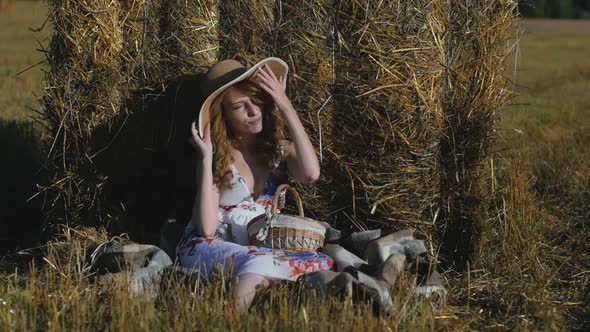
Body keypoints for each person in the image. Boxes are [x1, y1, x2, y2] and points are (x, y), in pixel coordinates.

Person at [175, 57, 334, 312]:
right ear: (223, 115)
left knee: (322, 263)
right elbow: (206, 228)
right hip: (211, 245)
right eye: (239, 106)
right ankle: (229, 321)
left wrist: (284, 104)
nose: (253, 111)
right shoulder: (216, 155)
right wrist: (205, 159)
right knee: (257, 265)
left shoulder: (276, 150)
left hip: (260, 246)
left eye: (256, 100)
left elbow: (311, 174)